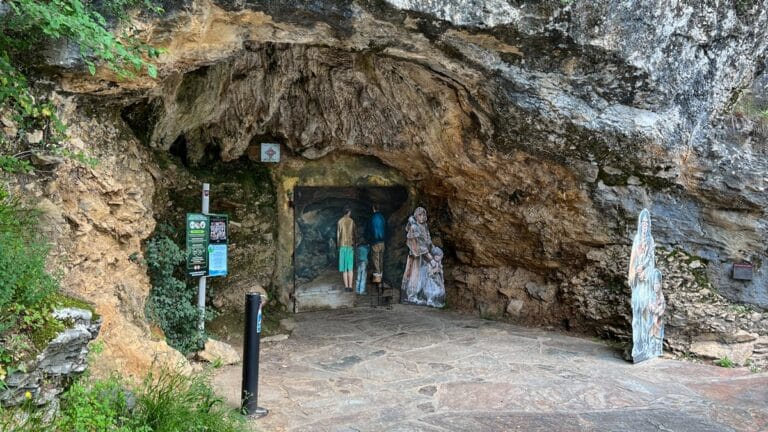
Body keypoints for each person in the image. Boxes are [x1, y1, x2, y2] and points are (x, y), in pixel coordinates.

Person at [628, 208, 655, 362]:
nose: (644, 225)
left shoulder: (650, 241)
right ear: (640, 224)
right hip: (637, 281)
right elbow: (633, 259)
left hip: (646, 280)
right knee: (637, 314)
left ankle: (645, 345)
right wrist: (634, 272)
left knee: (646, 313)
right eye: (642, 222)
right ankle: (637, 345)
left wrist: (646, 270)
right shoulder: (637, 239)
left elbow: (651, 260)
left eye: (646, 223)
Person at [402, 207, 435, 305]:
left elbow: (428, 240)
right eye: (420, 214)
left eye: (423, 214)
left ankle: (420, 295)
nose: (422, 217)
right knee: (414, 276)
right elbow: (417, 244)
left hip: (423, 257)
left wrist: (432, 249)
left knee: (423, 276)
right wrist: (429, 257)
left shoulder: (424, 226)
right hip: (416, 256)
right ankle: (412, 296)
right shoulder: (414, 228)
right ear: (416, 216)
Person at [647, 269, 666, 358]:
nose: (656, 286)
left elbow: (662, 304)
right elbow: (649, 305)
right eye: (655, 284)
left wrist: (660, 309)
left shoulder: (660, 295)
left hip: (658, 316)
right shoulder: (649, 295)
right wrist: (653, 308)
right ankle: (649, 348)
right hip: (651, 315)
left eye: (658, 284)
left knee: (657, 330)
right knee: (651, 330)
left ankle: (656, 349)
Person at [337, 207, 355, 291]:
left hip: (342, 246)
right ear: (349, 212)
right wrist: (355, 243)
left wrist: (338, 246)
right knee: (350, 268)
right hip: (350, 246)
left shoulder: (340, 222)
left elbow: (338, 236)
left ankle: (346, 287)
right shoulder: (351, 221)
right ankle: (350, 286)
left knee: (344, 268)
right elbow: (355, 234)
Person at [368, 204, 386, 284]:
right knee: (381, 260)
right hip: (382, 242)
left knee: (376, 261)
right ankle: (381, 277)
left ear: (373, 208)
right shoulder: (383, 218)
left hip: (375, 242)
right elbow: (387, 229)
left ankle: (377, 280)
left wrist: (368, 240)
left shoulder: (372, 218)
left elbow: (368, 231)